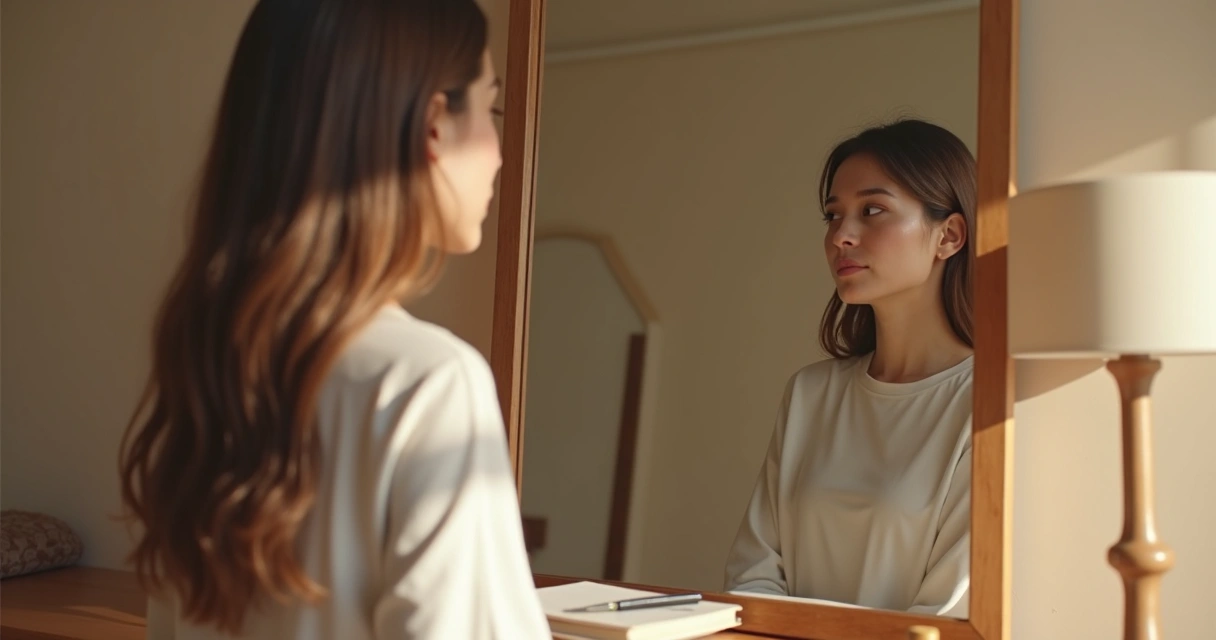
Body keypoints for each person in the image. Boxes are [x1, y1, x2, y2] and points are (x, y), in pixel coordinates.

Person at [117, 1, 550, 638]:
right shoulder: (431, 386)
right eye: (491, 108)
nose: (502, 154)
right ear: (433, 124)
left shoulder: (211, 368)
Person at [723, 119, 976, 618]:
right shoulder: (810, 395)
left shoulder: (986, 403)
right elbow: (753, 577)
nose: (842, 235)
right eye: (833, 216)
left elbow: (947, 614)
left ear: (948, 235)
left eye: (873, 210)